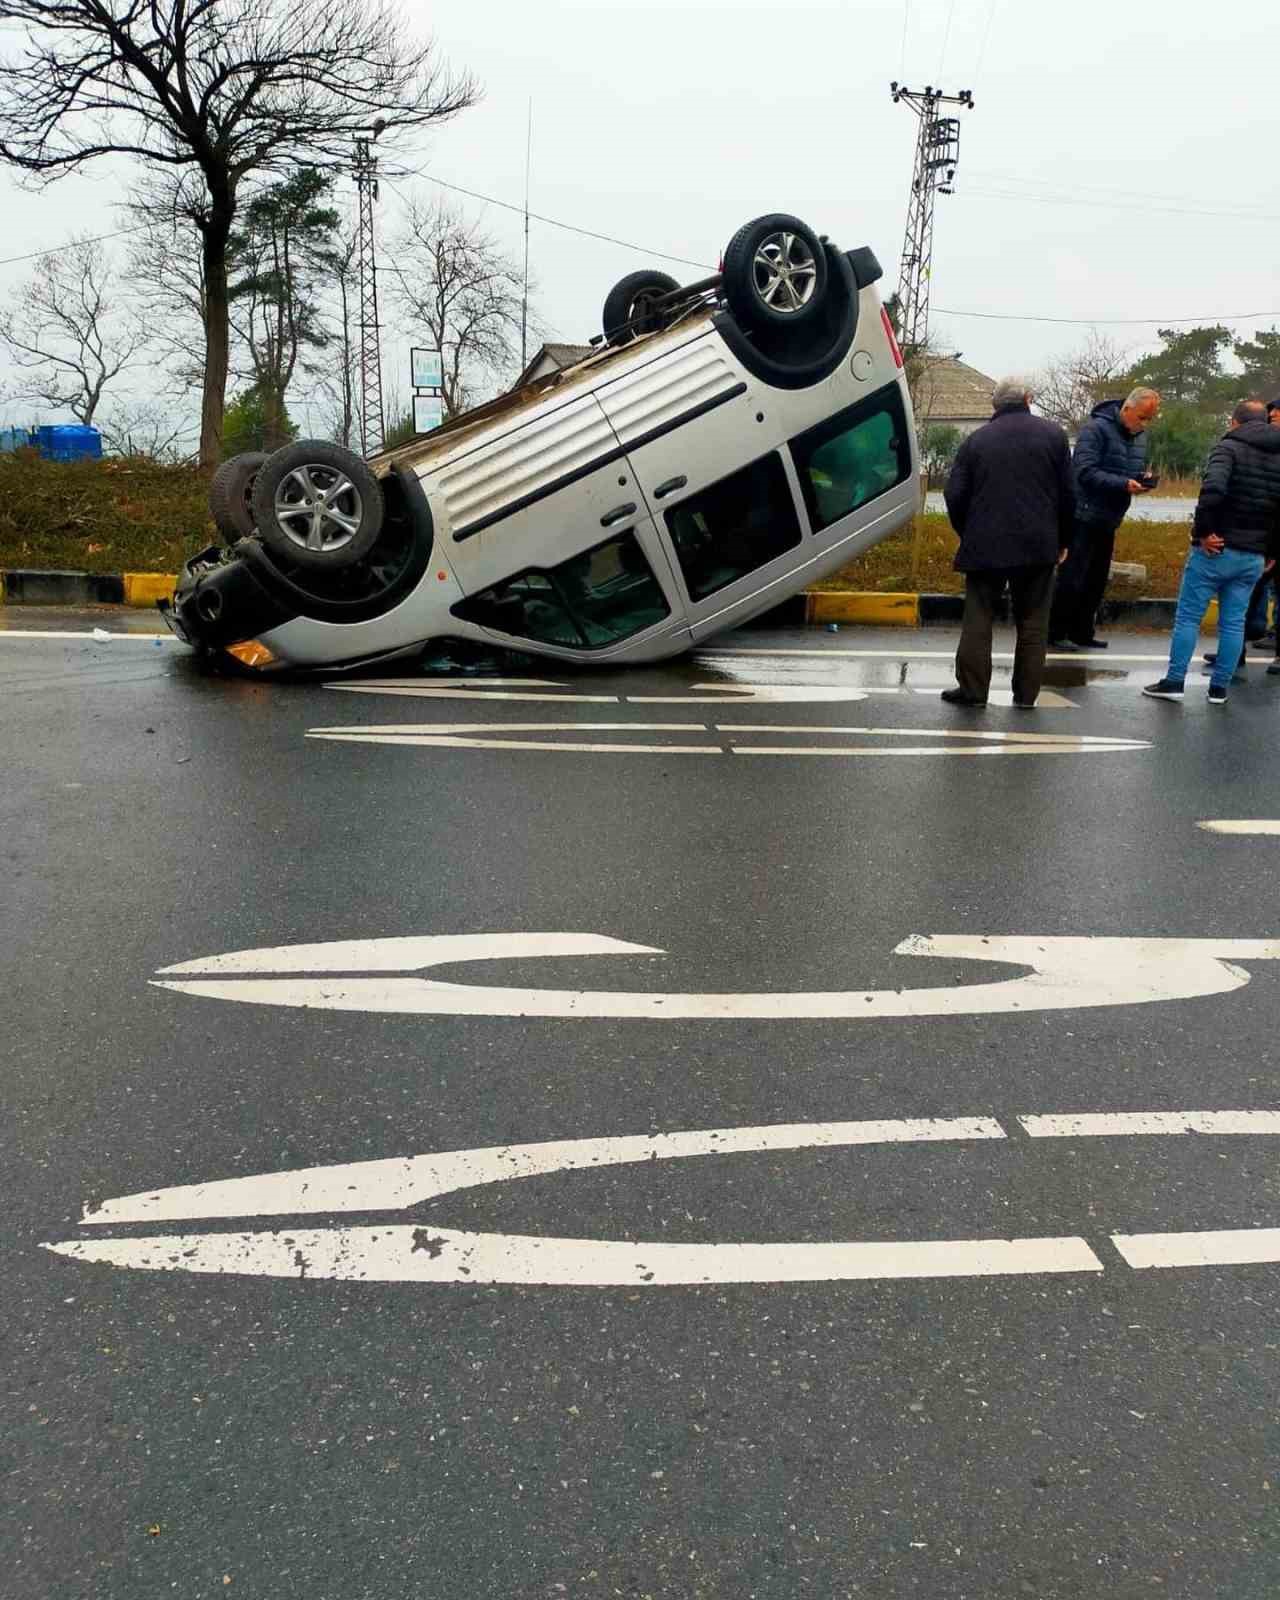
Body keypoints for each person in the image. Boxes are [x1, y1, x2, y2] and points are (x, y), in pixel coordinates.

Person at [941, 376, 1074, 709]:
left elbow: (953, 493)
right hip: (1038, 544)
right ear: (1028, 398)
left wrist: (967, 531)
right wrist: (1063, 538)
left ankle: (972, 690)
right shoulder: (1054, 437)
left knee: (979, 617)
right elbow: (1069, 495)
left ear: (994, 405)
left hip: (985, 543)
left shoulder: (976, 441)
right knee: (1033, 622)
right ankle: (1026, 694)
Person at [1143, 399, 1280, 705]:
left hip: (1216, 548)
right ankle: (1219, 689)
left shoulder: (1227, 449)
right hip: (1253, 554)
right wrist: (1272, 550)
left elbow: (1213, 491)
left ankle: (1175, 681)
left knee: (1189, 617)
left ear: (1235, 422)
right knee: (1234, 621)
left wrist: (1203, 533)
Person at [1049, 386, 1160, 650]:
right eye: (1142, 417)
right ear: (1127, 409)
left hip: (1110, 516)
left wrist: (1141, 481)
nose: (1144, 424)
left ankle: (1082, 631)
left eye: (1150, 419)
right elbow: (1084, 471)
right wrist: (1123, 484)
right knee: (1072, 576)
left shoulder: (1139, 437)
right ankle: (1056, 631)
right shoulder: (1095, 430)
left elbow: (1128, 470)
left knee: (1096, 579)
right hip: (1083, 513)